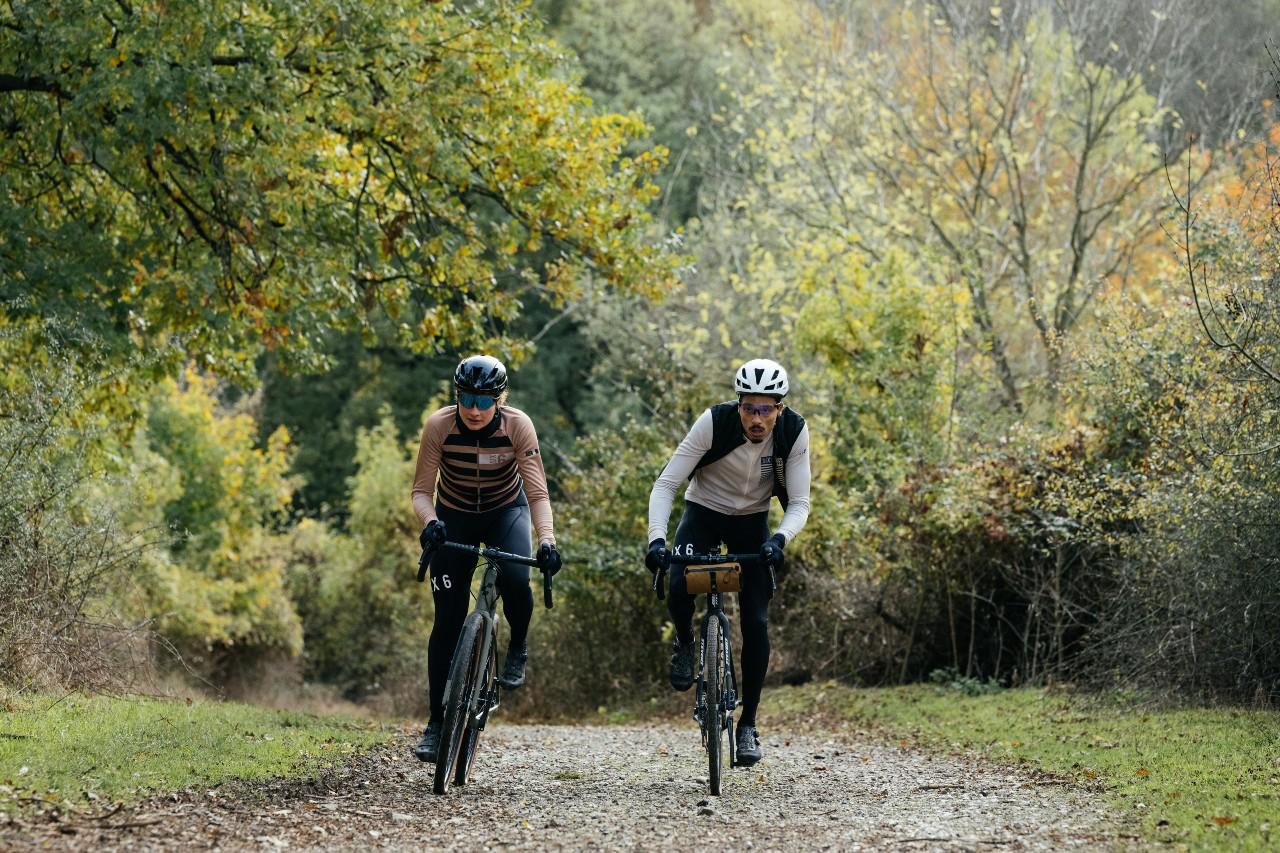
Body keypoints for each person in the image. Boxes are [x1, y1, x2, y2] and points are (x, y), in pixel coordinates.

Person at [645, 358, 811, 766]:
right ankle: (685, 643)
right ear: (738, 405)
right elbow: (667, 482)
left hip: (752, 522)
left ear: (779, 409)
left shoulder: (793, 432)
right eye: (749, 408)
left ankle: (748, 724)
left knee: (756, 621)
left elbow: (801, 502)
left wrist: (778, 538)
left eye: (766, 409)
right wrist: (656, 540)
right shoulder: (713, 423)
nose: (757, 418)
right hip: (702, 513)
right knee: (680, 581)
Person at [410, 355, 562, 762]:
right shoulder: (439, 426)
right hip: (453, 515)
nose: (475, 409)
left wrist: (546, 540)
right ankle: (437, 722)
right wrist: (430, 522)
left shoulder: (517, 426)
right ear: (457, 396)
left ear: (500, 399)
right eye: (467, 399)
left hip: (505, 511)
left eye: (484, 400)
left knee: (515, 576)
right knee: (446, 620)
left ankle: (519, 643)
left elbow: (538, 494)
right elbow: (421, 492)